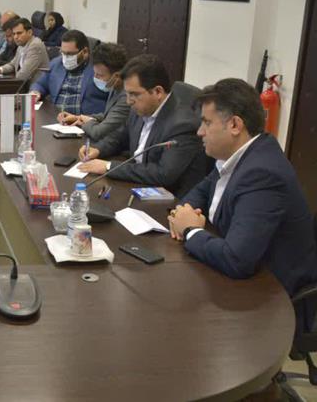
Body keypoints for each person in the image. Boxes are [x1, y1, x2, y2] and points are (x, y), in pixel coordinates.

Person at [168, 79, 317, 324]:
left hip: (272, 300)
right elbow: (200, 192)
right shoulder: (235, 156)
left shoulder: (263, 173)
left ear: (235, 125)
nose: (199, 132)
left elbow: (236, 260)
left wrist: (190, 230)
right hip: (239, 278)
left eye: (207, 123)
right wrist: (185, 212)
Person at [78, 54, 212, 197]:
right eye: (127, 94)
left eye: (133, 94)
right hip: (135, 184)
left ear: (158, 92)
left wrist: (108, 166)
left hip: (167, 199)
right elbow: (120, 136)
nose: (129, 101)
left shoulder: (183, 125)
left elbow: (163, 174)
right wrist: (98, 149)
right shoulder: (141, 107)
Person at [57, 42, 130, 142]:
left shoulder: (127, 97)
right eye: (94, 73)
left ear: (116, 76)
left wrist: (86, 121)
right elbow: (107, 116)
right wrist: (78, 117)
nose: (95, 77)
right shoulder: (114, 85)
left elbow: (97, 132)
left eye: (99, 75)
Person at [30, 29, 108, 116]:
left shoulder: (98, 69)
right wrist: (36, 91)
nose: (65, 58)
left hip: (83, 121)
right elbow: (40, 84)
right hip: (56, 118)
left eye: (70, 54)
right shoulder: (56, 64)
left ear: (85, 52)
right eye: (63, 53)